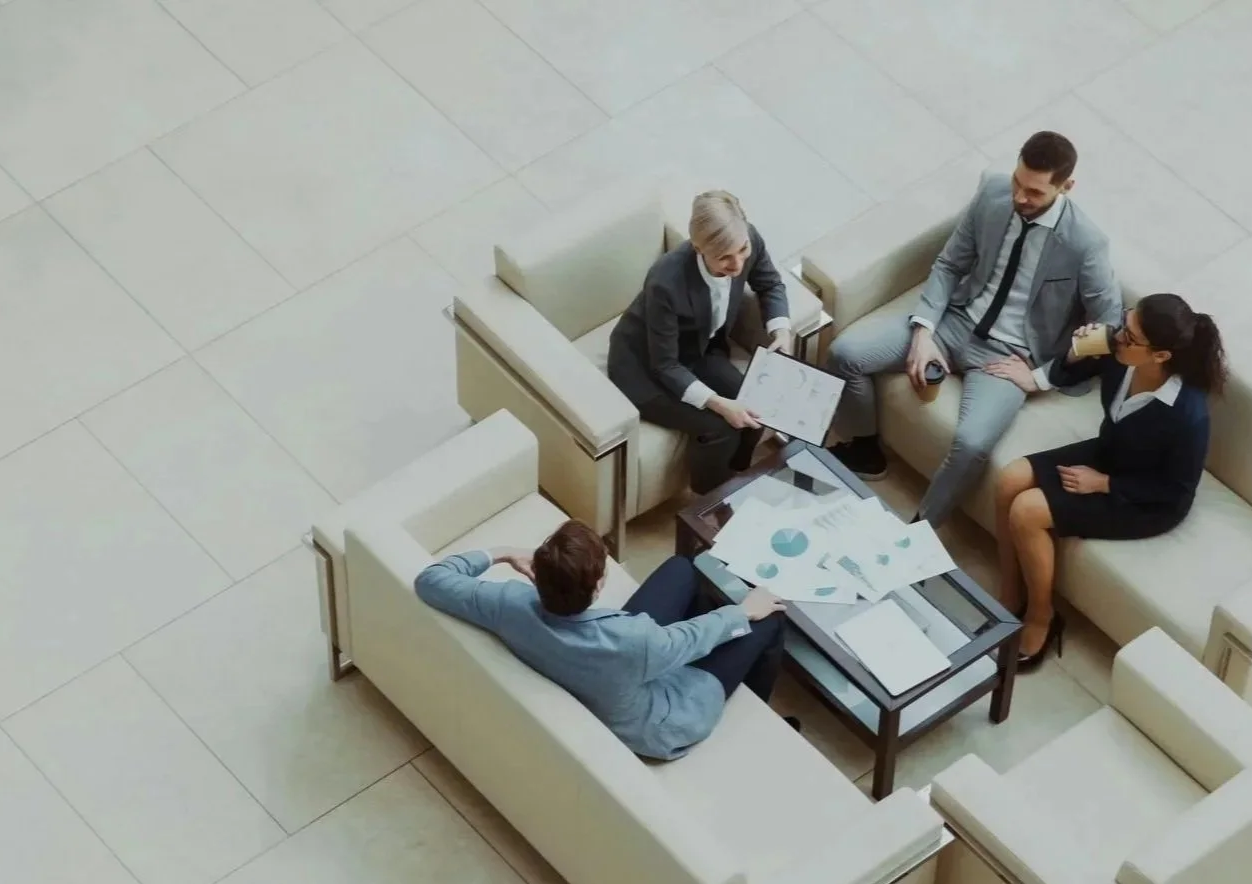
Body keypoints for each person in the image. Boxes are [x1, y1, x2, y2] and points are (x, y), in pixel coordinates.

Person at [825, 132, 1122, 523]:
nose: (1020, 197)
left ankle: (919, 533)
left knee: (971, 441)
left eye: (1034, 192)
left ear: (1066, 187)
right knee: (844, 354)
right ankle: (864, 449)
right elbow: (950, 264)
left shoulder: (1087, 244)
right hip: (955, 321)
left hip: (1009, 358)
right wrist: (924, 331)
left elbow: (1109, 327)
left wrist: (1041, 377)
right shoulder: (993, 193)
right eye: (1018, 182)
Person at [984, 294, 1228, 669]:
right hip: (1112, 453)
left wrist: (1105, 485)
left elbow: (1176, 491)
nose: (1118, 337)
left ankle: (1041, 618)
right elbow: (1068, 376)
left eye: (1130, 336)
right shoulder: (1119, 354)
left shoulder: (1187, 416)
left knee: (1027, 511)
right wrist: (1076, 353)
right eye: (1124, 322)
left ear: (1160, 356)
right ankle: (1009, 596)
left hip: (1145, 500)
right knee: (1009, 479)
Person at [414, 520, 789, 760]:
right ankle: (752, 700)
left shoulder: (508, 604)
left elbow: (431, 580)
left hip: (605, 666)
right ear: (597, 587)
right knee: (767, 622)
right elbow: (690, 638)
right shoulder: (635, 640)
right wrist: (745, 611)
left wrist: (503, 552)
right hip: (656, 718)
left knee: (681, 569)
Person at [607, 190, 792, 494]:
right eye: (724, 258)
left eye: (742, 251)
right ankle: (709, 501)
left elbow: (770, 284)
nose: (737, 265)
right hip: (645, 368)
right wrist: (720, 405)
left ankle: (737, 474)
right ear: (699, 248)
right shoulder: (664, 282)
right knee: (721, 427)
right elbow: (665, 364)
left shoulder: (749, 239)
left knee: (756, 405)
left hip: (699, 350)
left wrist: (781, 332)